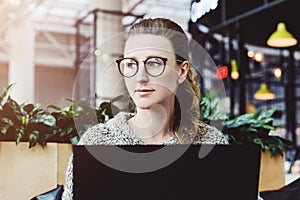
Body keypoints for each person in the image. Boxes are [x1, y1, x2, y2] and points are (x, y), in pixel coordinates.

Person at [61, 17, 228, 200]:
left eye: (154, 63)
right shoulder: (97, 142)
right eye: (131, 64)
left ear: (181, 71)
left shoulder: (210, 143)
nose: (140, 77)